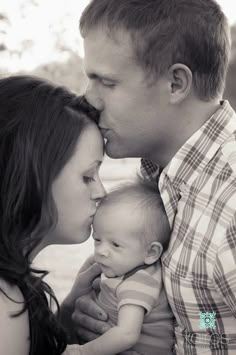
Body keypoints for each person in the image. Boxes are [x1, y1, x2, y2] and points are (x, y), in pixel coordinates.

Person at [63, 0, 236, 354]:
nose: (88, 98)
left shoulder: (230, 202)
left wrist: (207, 320)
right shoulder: (159, 175)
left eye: (106, 82)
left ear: (175, 83)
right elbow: (217, 312)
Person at [0, 74, 106, 355]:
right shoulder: (4, 307)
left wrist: (65, 317)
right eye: (87, 176)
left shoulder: (15, 290)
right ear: (34, 174)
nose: (101, 192)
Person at [66, 179, 174, 355]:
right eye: (97, 239)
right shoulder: (126, 268)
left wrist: (82, 351)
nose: (101, 251)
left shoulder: (138, 282)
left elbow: (127, 334)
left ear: (151, 253)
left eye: (115, 245)